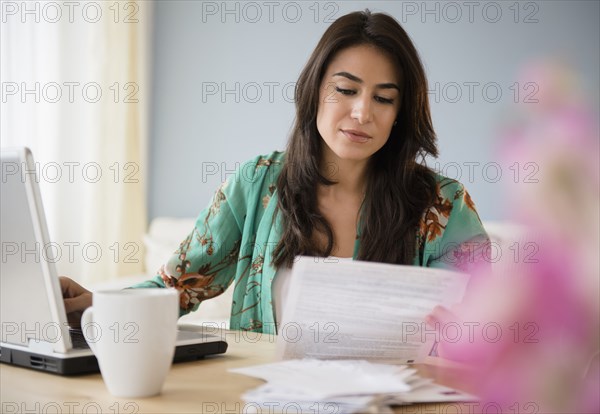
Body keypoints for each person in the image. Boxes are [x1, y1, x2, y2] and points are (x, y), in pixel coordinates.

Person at [61, 9, 489, 335]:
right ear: (314, 90)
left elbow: (480, 326)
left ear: (399, 112)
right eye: (345, 90)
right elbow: (178, 287)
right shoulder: (258, 182)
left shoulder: (444, 206)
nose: (361, 112)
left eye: (383, 98)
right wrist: (94, 303)